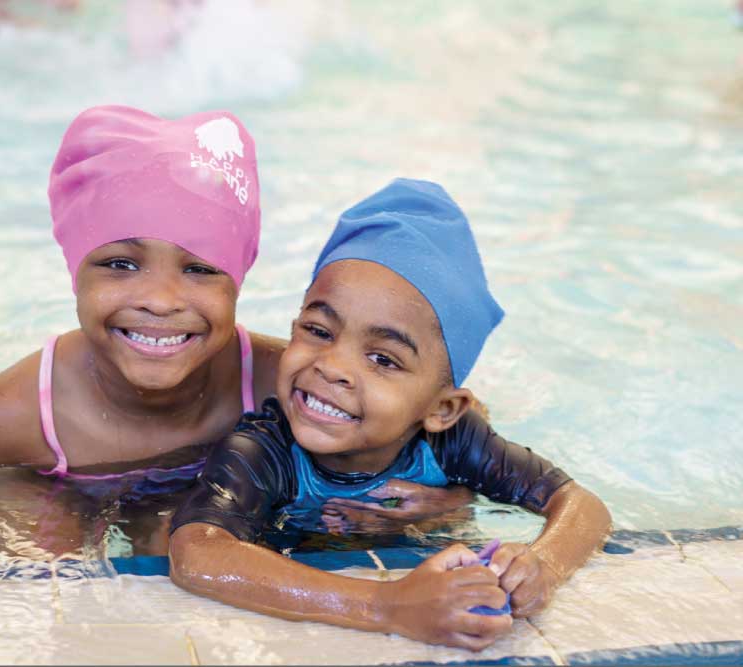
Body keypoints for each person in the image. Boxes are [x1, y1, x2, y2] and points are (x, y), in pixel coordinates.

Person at [0, 108, 474, 557]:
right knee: (38, 563)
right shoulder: (28, 409)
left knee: (188, 541)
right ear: (74, 274)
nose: (161, 300)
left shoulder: (277, 379)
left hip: (198, 494)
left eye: (199, 268)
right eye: (119, 263)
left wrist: (446, 503)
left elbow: (432, 415)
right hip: (52, 484)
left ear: (237, 284)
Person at [168, 178, 612, 651]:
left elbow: (582, 505)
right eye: (319, 330)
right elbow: (198, 554)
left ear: (441, 409)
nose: (332, 367)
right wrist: (385, 606)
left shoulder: (454, 440)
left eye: (383, 359)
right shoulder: (262, 450)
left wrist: (543, 564)